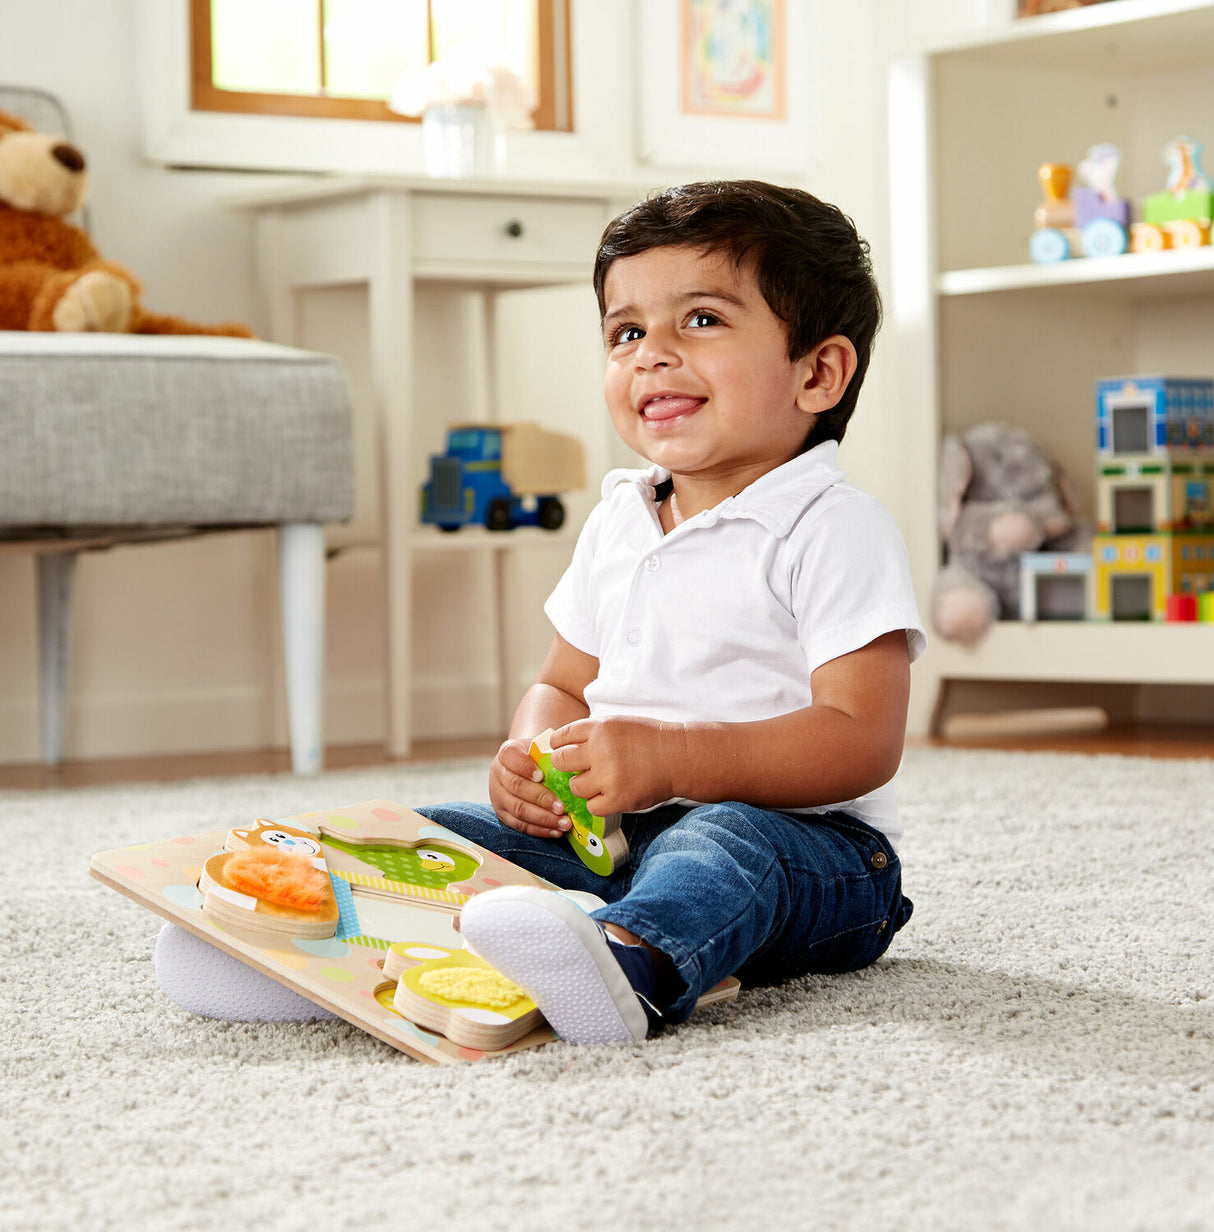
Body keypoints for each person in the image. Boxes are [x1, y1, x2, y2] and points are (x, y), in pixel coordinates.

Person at [154, 180, 925, 1045]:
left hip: (814, 856)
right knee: (433, 835)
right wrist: (530, 756)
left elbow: (861, 738)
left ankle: (628, 965)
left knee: (721, 844)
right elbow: (562, 683)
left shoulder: (832, 525)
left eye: (701, 320)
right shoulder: (620, 517)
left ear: (817, 372)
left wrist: (674, 758)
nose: (652, 355)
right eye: (626, 332)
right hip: (612, 839)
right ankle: (322, 954)